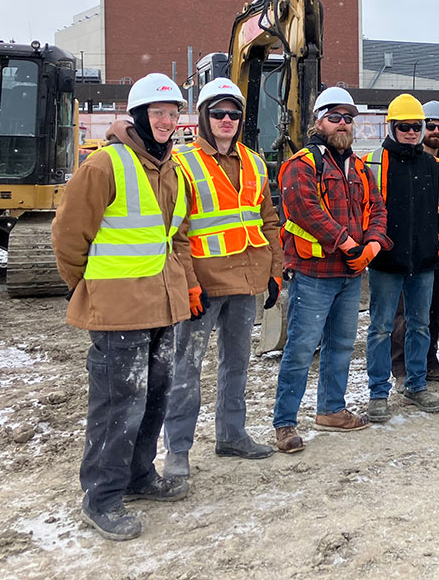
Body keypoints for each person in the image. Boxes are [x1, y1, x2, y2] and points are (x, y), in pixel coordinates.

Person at [52, 73, 193, 541]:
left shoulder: (173, 168)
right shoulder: (105, 166)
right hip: (119, 312)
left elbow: (176, 238)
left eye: (173, 114)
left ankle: (138, 475)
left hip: (164, 307)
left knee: (153, 397)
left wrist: (184, 288)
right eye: (158, 114)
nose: (167, 122)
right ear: (137, 116)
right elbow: (69, 238)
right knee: (117, 405)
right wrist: (88, 291)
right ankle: (101, 497)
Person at [163, 79, 281, 479]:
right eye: (218, 113)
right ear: (204, 117)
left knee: (237, 365)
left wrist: (274, 273)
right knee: (187, 367)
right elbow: (176, 232)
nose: (227, 120)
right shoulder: (183, 163)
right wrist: (189, 283)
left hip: (246, 282)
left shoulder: (254, 162)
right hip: (205, 285)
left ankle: (231, 434)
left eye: (233, 114)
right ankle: (177, 449)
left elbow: (268, 221)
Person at [272, 87, 391, 452]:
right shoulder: (301, 165)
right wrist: (347, 243)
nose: (343, 124)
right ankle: (285, 423)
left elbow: (377, 209)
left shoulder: (358, 168)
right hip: (313, 273)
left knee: (340, 345)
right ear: (318, 121)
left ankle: (331, 410)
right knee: (302, 348)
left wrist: (372, 245)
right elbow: (305, 210)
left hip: (351, 274)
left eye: (348, 119)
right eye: (335, 117)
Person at [362, 94, 439, 421]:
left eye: (418, 126)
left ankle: (416, 384)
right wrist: (374, 244)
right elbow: (364, 210)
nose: (413, 132)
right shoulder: (373, 164)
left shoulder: (435, 167)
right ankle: (377, 392)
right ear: (392, 127)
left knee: (420, 326)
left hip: (424, 263)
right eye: (406, 127)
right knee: (381, 328)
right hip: (386, 264)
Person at [390, 100, 439, 384]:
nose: (434, 131)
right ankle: (401, 367)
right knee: (402, 314)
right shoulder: (405, 160)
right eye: (428, 125)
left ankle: (429, 361)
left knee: (434, 311)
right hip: (406, 250)